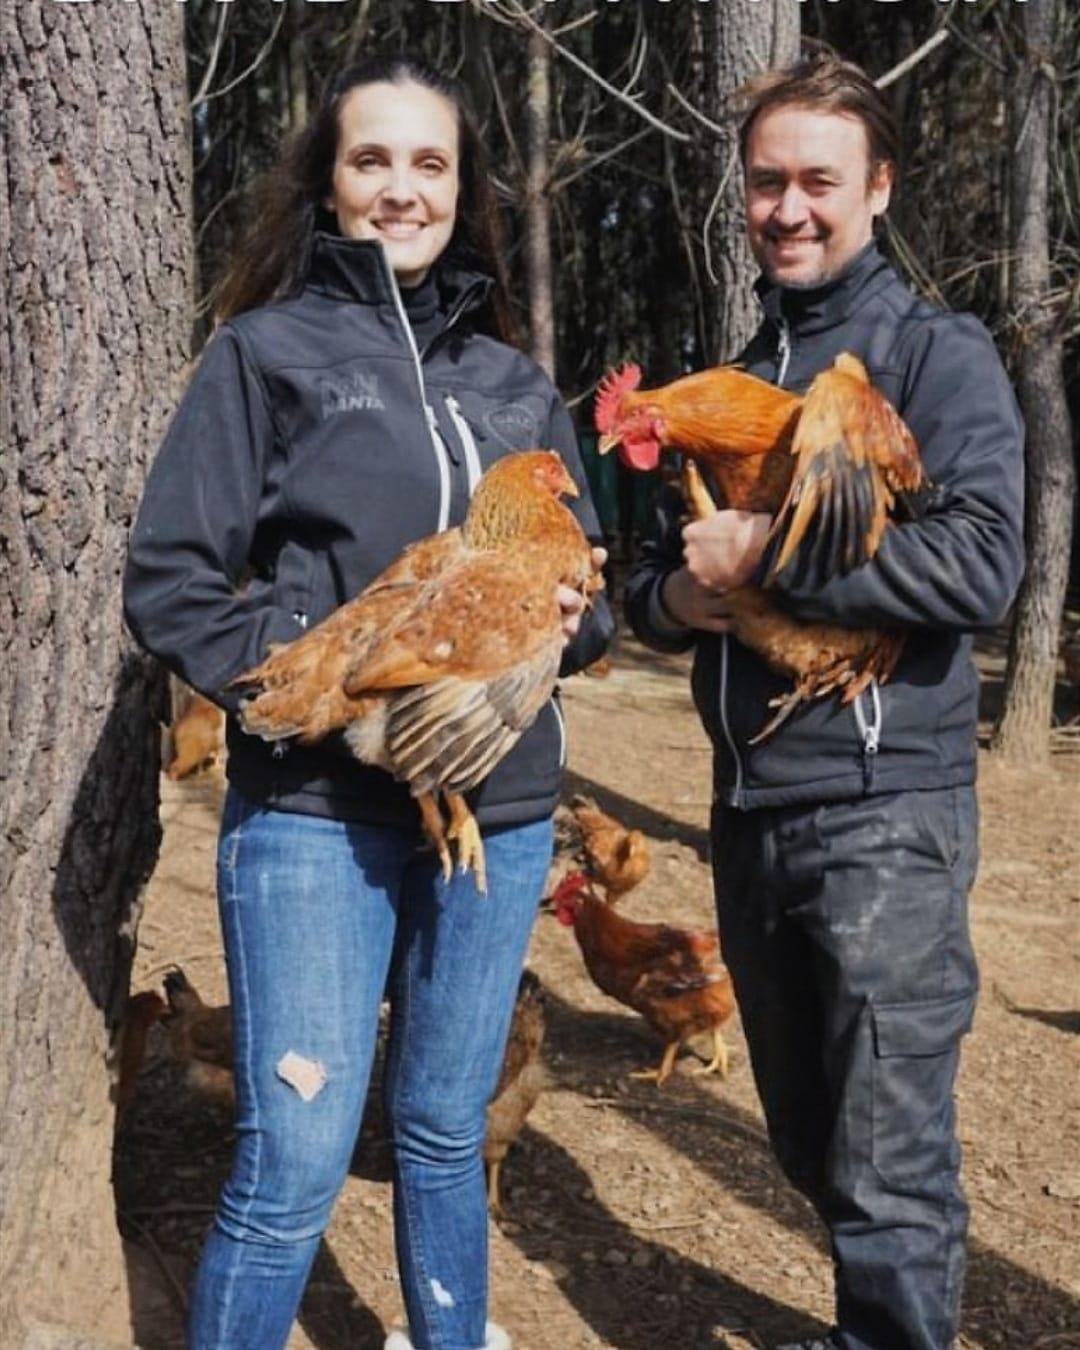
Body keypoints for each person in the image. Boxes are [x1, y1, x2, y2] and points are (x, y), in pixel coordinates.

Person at [123, 56, 612, 1350]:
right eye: (372, 160)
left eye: (431, 163)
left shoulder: (516, 383)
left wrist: (573, 619)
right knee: (296, 1152)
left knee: (450, 1129)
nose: (403, 187)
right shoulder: (266, 355)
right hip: (316, 816)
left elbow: (597, 597)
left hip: (496, 815)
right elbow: (173, 578)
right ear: (328, 186)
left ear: (465, 191)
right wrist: (316, 684)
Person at [626, 55, 1024, 1350]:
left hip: (882, 815)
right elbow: (662, 570)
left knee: (887, 1161)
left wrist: (773, 557)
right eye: (767, 182)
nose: (789, 207)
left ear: (879, 187)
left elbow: (981, 562)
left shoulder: (931, 353)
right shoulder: (743, 371)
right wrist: (675, 602)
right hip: (751, 812)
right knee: (808, 1132)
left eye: (818, 181)